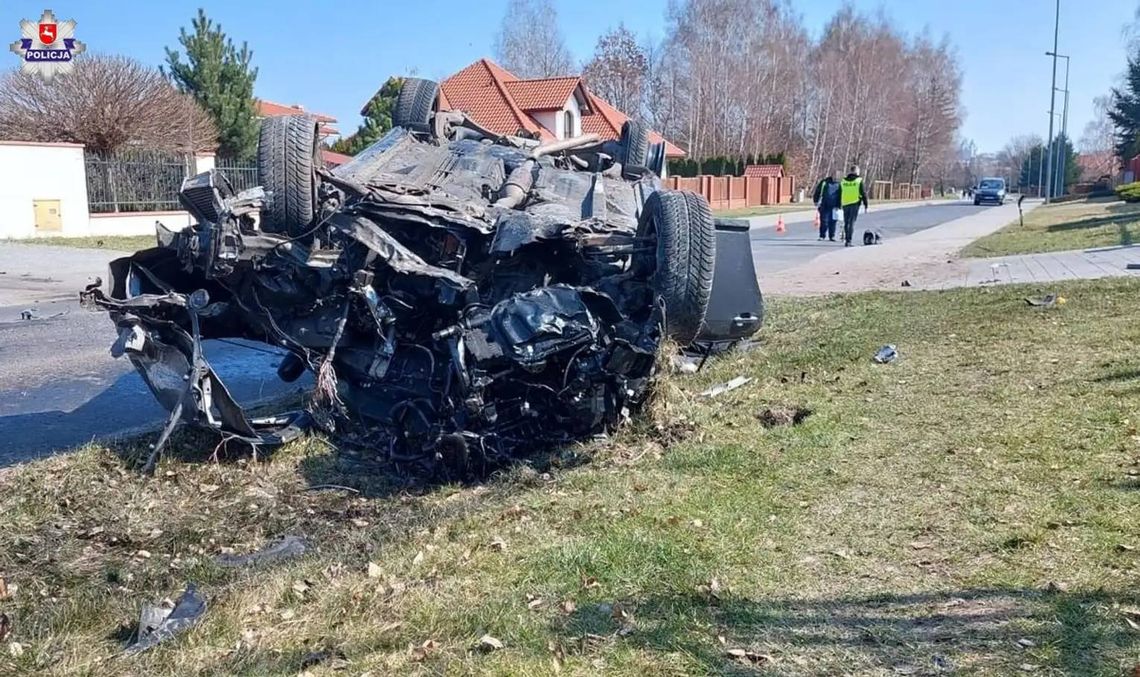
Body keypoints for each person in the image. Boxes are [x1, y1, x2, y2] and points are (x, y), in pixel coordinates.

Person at [840, 165, 869, 247]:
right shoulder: (859, 181)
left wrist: (838, 203)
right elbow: (863, 193)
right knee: (851, 222)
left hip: (845, 203)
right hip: (854, 203)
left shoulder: (843, 181)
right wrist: (866, 204)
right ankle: (849, 240)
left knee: (846, 222)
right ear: (857, 171)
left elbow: (839, 192)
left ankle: (846, 239)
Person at [812, 172, 841, 241]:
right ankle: (822, 235)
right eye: (834, 176)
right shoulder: (824, 182)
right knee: (824, 221)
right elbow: (818, 191)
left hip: (834, 206)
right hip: (824, 205)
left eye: (837, 177)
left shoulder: (839, 184)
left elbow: (841, 195)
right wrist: (816, 201)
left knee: (833, 221)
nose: (835, 178)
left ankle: (832, 236)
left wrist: (839, 205)